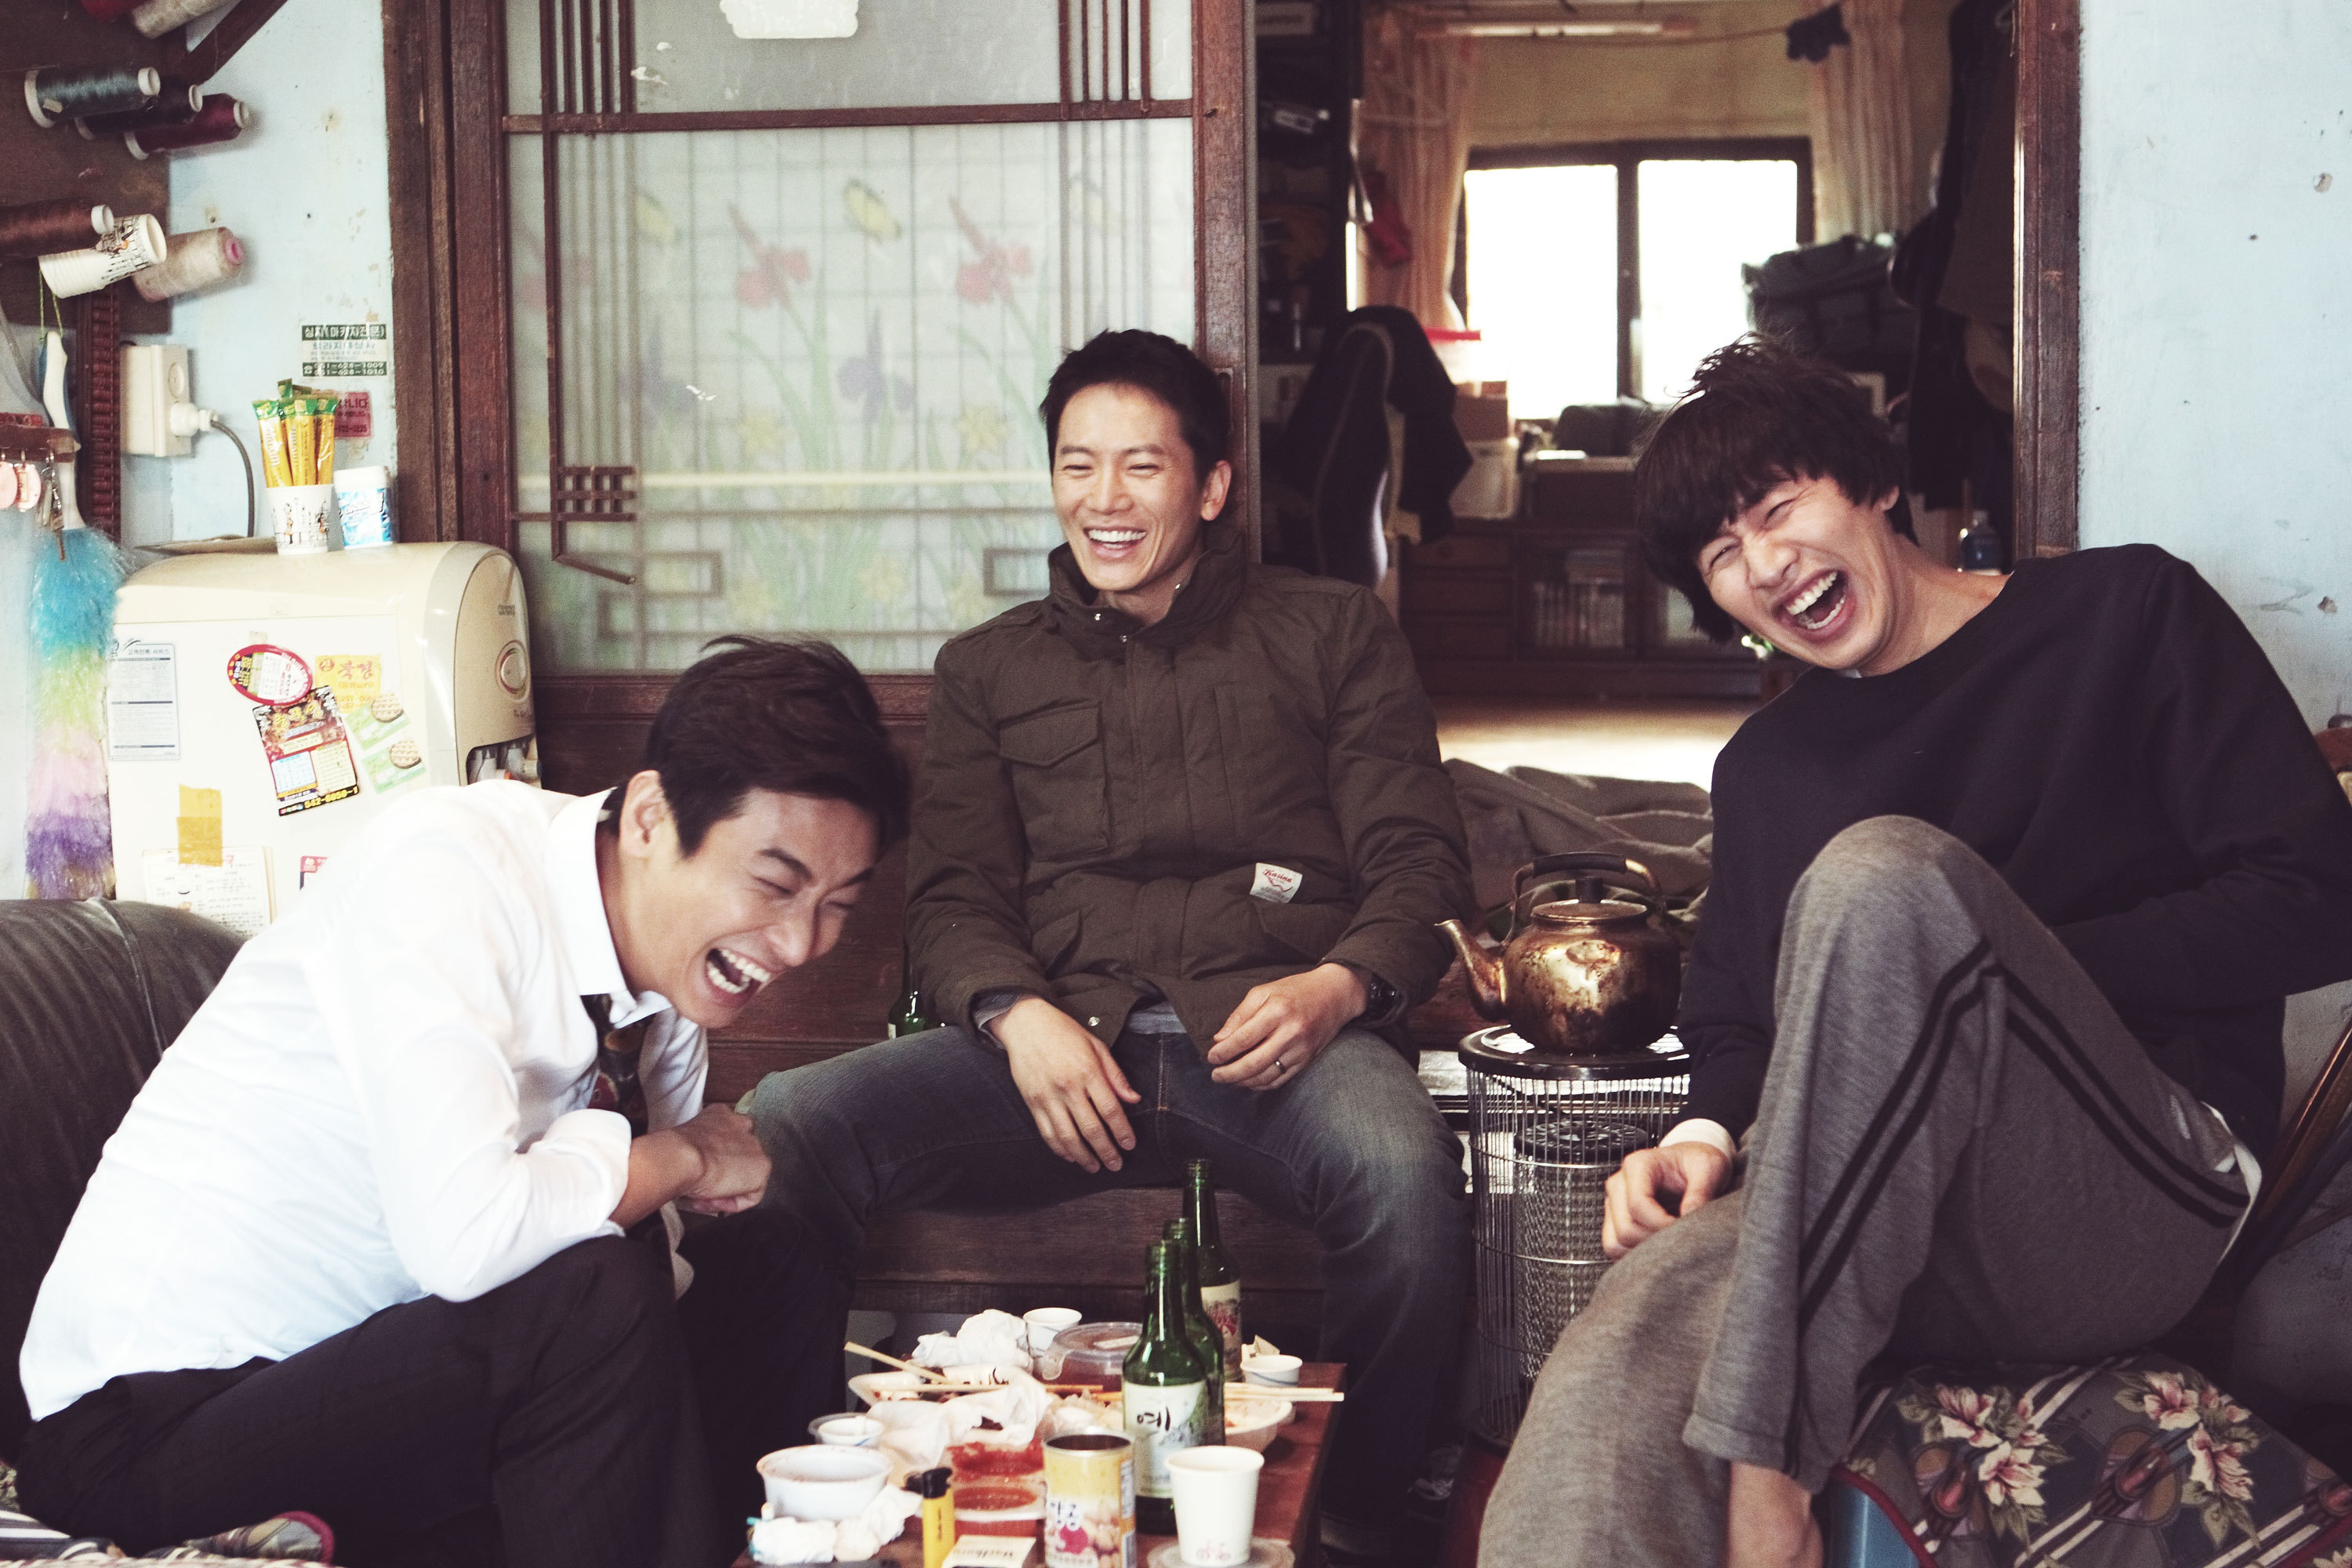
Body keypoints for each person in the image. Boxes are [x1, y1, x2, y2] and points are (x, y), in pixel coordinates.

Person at [1478, 339, 2352, 1568]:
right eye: (1722, 556)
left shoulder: (2126, 615)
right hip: (1872, 1211)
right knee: (1630, 1323)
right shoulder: (1768, 769)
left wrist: (1992, 970)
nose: (1764, 565)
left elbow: (2318, 895)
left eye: (1778, 510)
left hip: (2134, 1192)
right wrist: (1696, 1140)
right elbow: (1736, 1021)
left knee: (1883, 876)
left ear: (1873, 483)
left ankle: (1770, 1472)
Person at [753, 328, 1474, 1563]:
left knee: (1402, 1172)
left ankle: (1353, 1523)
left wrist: (1338, 987)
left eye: (1142, 466)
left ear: (1212, 485)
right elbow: (953, 898)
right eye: (1077, 465)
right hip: (1056, 1056)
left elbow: (1421, 863)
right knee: (787, 1123)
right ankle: (807, 1491)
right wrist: (1011, 1014)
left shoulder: (1332, 632)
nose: (1106, 499)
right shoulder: (989, 669)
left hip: (1277, 1053)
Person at [16, 637, 909, 1568]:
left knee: (772, 1263)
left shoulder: (671, 978)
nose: (799, 942)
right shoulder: (447, 873)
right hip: (152, 1425)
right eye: (775, 884)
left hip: (380, 1383)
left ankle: (779, 1552)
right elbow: (469, 1238)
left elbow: (639, 1249)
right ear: (651, 816)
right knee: (591, 1293)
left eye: (838, 904)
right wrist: (678, 1155)